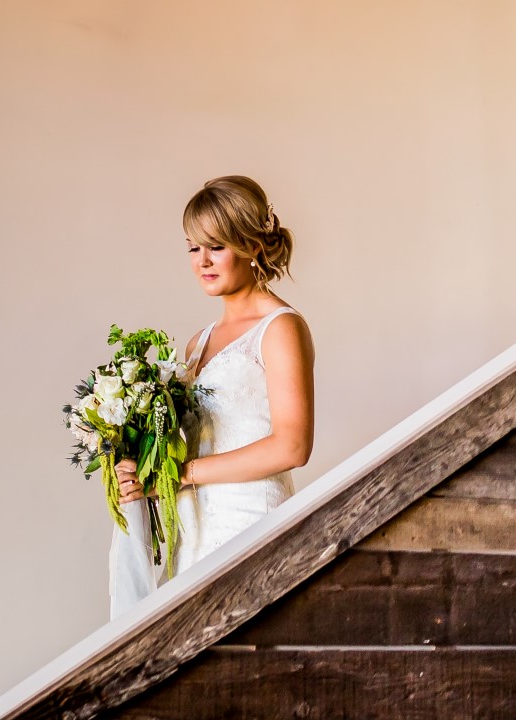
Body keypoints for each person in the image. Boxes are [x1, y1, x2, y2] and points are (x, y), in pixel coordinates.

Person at [108, 175, 315, 618]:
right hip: (193, 533)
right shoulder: (196, 344)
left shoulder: (280, 329)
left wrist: (184, 473)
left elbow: (293, 446)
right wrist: (145, 468)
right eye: (192, 247)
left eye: (216, 246)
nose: (202, 261)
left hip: (249, 523)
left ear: (252, 245)